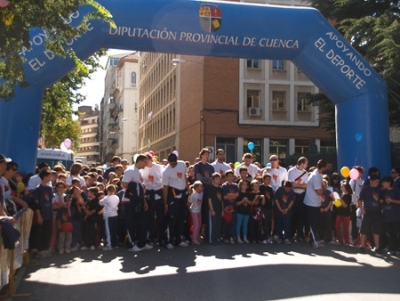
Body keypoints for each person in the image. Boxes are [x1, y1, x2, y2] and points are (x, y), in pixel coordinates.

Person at [122, 154, 152, 252]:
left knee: (142, 222)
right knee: (130, 223)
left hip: (139, 201)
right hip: (130, 201)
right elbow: (124, 184)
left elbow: (141, 188)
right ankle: (130, 244)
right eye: (145, 162)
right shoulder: (130, 171)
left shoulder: (138, 172)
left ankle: (142, 243)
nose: (146, 164)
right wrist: (134, 188)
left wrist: (144, 202)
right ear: (140, 161)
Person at [162, 152, 189, 249]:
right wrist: (165, 203)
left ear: (177, 160)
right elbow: (165, 188)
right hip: (173, 194)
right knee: (172, 218)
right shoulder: (166, 171)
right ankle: (169, 240)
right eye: (171, 163)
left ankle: (179, 240)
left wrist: (188, 190)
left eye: (174, 163)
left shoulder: (182, 164)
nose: (172, 165)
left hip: (183, 193)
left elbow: (185, 178)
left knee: (182, 218)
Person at [141, 152, 165, 246]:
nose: (146, 163)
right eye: (144, 161)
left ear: (151, 160)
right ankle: (151, 237)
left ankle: (161, 238)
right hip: (148, 193)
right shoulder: (143, 169)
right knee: (150, 218)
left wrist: (161, 188)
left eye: (147, 161)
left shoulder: (159, 167)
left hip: (158, 191)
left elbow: (163, 179)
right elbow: (142, 181)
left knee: (160, 217)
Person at [304, 159, 327, 248]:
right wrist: (324, 188)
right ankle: (313, 241)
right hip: (311, 203)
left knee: (316, 223)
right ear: (324, 167)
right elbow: (319, 192)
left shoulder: (318, 174)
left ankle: (312, 239)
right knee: (313, 223)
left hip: (315, 202)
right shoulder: (316, 177)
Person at [31, 169, 54, 258]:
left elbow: (50, 201)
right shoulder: (38, 189)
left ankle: (45, 249)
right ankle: (40, 250)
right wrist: (39, 216)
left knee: (48, 232)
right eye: (49, 176)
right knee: (40, 232)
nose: (51, 178)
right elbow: (36, 204)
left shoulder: (49, 189)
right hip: (42, 214)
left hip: (49, 214)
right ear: (45, 177)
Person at [358, 174, 383, 253]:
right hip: (367, 211)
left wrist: (382, 206)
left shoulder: (379, 189)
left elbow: (382, 200)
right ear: (371, 181)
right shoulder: (366, 189)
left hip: (377, 212)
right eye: (375, 181)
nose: (377, 183)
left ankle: (377, 246)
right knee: (364, 229)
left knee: (376, 229)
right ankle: (362, 246)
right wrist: (362, 209)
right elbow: (359, 199)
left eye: (378, 182)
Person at [194, 148, 215, 240]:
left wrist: (206, 180)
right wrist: (207, 179)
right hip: (199, 190)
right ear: (201, 155)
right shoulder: (197, 166)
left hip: (208, 190)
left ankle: (204, 230)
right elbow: (199, 178)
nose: (207, 156)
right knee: (198, 210)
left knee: (206, 210)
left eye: (208, 154)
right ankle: (197, 232)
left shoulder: (211, 167)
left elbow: (212, 179)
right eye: (205, 154)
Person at [287, 157, 308, 242]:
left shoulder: (306, 173)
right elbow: (291, 184)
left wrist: (297, 185)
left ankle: (300, 235)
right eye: (306, 163)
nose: (307, 165)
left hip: (302, 195)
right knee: (292, 215)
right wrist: (300, 185)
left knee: (301, 216)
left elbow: (306, 185)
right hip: (293, 195)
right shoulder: (291, 171)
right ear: (302, 163)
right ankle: (291, 234)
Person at [381, 176, 400, 255]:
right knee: (389, 233)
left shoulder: (396, 190)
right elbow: (380, 200)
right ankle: (391, 248)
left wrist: (391, 200)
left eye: (384, 182)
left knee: (396, 233)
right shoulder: (383, 191)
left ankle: (397, 248)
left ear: (389, 183)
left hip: (395, 216)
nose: (383, 184)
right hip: (386, 217)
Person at [99, 184, 120, 251]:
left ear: (108, 190)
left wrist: (103, 197)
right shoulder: (117, 197)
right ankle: (115, 244)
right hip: (115, 215)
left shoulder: (107, 198)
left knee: (108, 231)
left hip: (109, 215)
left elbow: (100, 203)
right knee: (114, 230)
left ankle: (109, 245)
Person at [222, 170, 239, 244]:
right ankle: (226, 237)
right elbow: (224, 197)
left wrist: (230, 195)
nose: (231, 178)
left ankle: (232, 237)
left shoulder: (235, 185)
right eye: (229, 176)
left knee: (233, 221)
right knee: (226, 222)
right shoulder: (224, 186)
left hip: (233, 206)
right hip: (226, 207)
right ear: (226, 177)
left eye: (232, 176)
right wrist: (232, 195)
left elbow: (237, 195)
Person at [349, 166, 364, 242]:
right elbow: (351, 192)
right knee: (354, 221)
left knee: (360, 221)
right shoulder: (353, 181)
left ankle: (359, 237)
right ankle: (353, 236)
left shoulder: (361, 181)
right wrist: (351, 203)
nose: (362, 174)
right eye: (361, 172)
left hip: (360, 203)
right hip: (354, 204)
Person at [207, 172, 223, 244]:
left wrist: (222, 210)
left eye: (219, 179)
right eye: (216, 179)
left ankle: (217, 237)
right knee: (212, 224)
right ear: (213, 180)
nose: (218, 180)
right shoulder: (210, 188)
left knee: (218, 224)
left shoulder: (220, 188)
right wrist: (212, 209)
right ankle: (212, 239)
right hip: (213, 208)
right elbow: (209, 199)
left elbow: (221, 200)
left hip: (219, 208)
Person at [335, 181, 352, 245]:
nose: (341, 188)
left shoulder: (349, 196)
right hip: (339, 213)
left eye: (342, 187)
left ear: (346, 188)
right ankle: (340, 240)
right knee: (337, 226)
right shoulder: (342, 195)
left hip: (346, 214)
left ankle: (347, 241)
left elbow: (345, 206)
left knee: (345, 228)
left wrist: (340, 201)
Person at [259, 173, 274, 244]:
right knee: (263, 223)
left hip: (269, 207)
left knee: (268, 223)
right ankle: (263, 237)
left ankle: (268, 236)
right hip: (263, 207)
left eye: (269, 180)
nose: (268, 181)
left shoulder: (270, 188)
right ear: (263, 179)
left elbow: (272, 198)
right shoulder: (260, 187)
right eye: (267, 179)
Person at [236, 179, 251, 244]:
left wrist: (247, 201)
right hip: (239, 211)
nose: (244, 186)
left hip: (246, 211)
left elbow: (251, 203)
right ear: (240, 185)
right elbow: (236, 203)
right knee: (238, 224)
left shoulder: (248, 194)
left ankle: (245, 237)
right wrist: (242, 201)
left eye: (246, 185)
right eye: (243, 185)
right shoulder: (238, 193)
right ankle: (238, 237)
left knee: (245, 225)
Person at [319, 180, 334, 244]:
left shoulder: (328, 192)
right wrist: (320, 209)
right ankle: (321, 238)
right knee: (321, 225)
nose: (323, 185)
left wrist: (327, 208)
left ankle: (329, 239)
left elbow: (331, 200)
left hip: (327, 211)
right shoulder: (318, 192)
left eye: (324, 184)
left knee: (328, 225)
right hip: (320, 211)